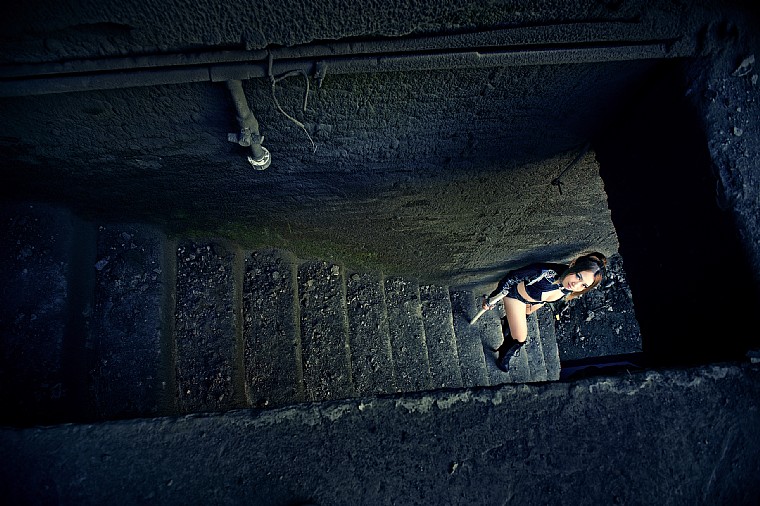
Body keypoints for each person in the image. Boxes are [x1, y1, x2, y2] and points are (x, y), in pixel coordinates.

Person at [481, 252, 607, 372]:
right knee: (520, 337)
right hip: (516, 297)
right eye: (578, 276)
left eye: (584, 285)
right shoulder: (542, 272)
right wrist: (492, 299)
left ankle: (508, 323)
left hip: (534, 302)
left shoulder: (569, 285)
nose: (576, 285)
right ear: (573, 264)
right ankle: (504, 355)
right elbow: (511, 278)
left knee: (525, 314)